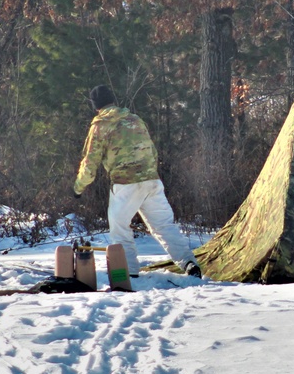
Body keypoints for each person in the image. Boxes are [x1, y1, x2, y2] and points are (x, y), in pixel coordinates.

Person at [73, 85, 201, 279]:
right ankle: (189, 263)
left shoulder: (100, 125)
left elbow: (90, 163)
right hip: (151, 180)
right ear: (113, 100)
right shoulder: (135, 119)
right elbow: (152, 150)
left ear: (95, 106)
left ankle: (129, 273)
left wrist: (78, 188)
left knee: (120, 229)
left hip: (125, 184)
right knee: (164, 226)